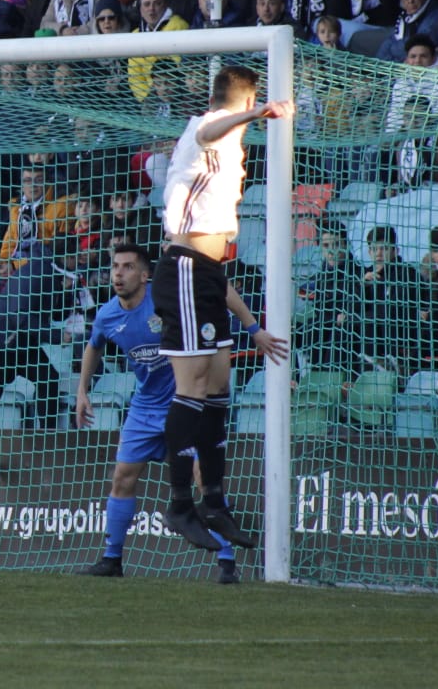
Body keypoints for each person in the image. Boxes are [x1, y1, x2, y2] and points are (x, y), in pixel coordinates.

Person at [75, 245, 287, 583]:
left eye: (128, 267)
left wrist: (252, 328)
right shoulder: (107, 315)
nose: (118, 273)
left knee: (204, 478)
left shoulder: (167, 301)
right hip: (145, 407)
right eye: (115, 267)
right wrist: (82, 391)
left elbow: (221, 289)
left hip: (185, 402)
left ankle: (227, 563)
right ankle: (112, 559)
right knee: (122, 478)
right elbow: (94, 345)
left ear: (146, 276)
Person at [151, 66, 293, 552]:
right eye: (253, 105)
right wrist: (260, 110)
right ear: (246, 98)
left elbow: (217, 273)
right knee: (191, 387)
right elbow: (213, 127)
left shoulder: (230, 144)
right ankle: (178, 503)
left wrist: (252, 325)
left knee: (217, 388)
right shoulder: (206, 126)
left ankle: (214, 500)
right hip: (184, 270)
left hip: (207, 275)